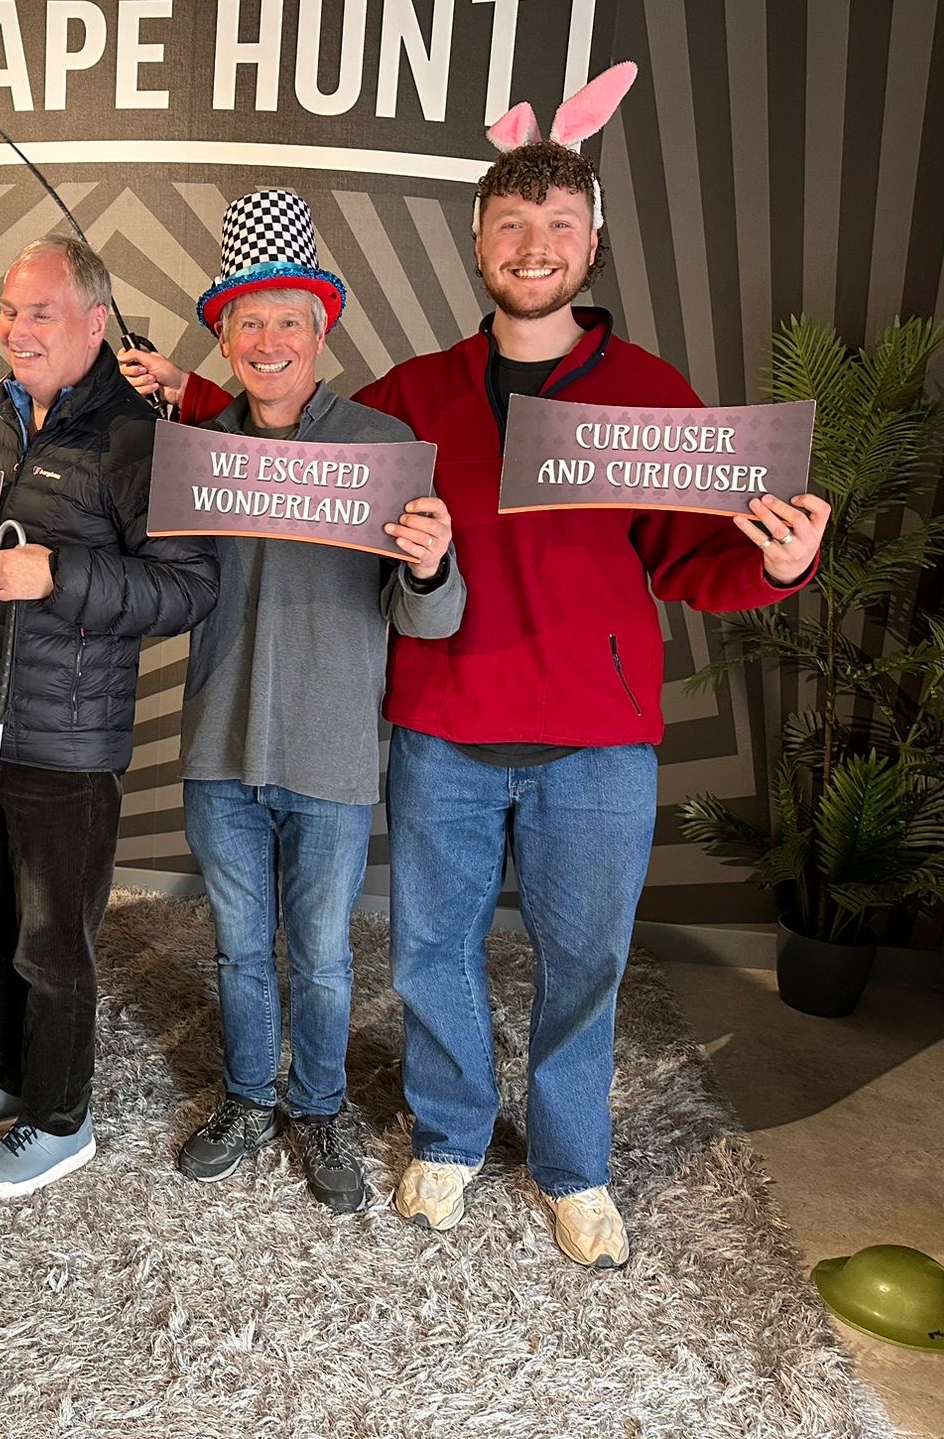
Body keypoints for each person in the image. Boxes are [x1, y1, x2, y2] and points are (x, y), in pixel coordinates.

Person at [123, 63, 828, 1266]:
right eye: (510, 223)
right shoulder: (411, 397)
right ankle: (447, 1137)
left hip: (594, 739)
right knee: (430, 955)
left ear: (590, 241)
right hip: (442, 729)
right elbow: (289, 442)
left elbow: (691, 559)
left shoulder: (647, 397)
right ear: (476, 242)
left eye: (557, 223)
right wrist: (184, 393)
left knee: (583, 964)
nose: (532, 244)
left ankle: (571, 1165)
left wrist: (778, 562)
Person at [166, 189, 464, 1214]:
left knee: (327, 958)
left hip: (331, 753)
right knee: (240, 949)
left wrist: (429, 564)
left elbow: (428, 618)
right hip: (218, 747)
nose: (267, 341)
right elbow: (167, 591)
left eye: (287, 320)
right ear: (223, 338)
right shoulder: (201, 453)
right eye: (246, 321)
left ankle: (320, 1107)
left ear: (321, 329)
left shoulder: (381, 445)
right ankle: (250, 1099)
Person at [0, 236, 217, 1201]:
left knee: (52, 943)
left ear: (95, 323)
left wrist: (62, 575)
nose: (16, 330)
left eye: (39, 313)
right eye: (10, 310)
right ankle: (5, 1074)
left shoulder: (136, 440)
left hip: (67, 741)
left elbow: (188, 587)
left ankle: (59, 1119)